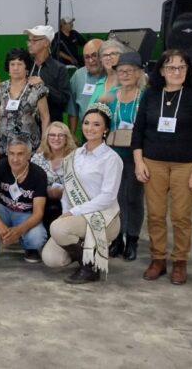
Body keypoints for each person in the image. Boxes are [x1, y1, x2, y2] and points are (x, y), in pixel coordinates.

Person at [132, 49, 192, 284]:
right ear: (161, 71)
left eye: (181, 67)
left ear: (188, 70)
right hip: (152, 162)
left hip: (185, 165)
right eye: (170, 67)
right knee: (155, 214)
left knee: (181, 216)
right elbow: (138, 131)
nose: (176, 71)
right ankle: (158, 259)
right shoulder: (151, 94)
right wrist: (139, 161)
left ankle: (179, 261)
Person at [41, 104, 123, 284]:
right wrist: (66, 212)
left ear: (105, 129)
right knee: (51, 259)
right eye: (86, 123)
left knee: (57, 228)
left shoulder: (111, 158)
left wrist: (74, 213)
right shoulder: (74, 154)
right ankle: (87, 249)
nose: (89, 128)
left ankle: (90, 267)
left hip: (104, 219)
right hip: (78, 217)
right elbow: (67, 191)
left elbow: (108, 196)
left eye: (96, 124)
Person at [0, 135, 48, 270]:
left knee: (38, 238)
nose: (15, 159)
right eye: (11, 153)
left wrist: (19, 231)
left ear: (29, 155)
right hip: (4, 211)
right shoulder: (1, 166)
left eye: (20, 154)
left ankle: (29, 248)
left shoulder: (38, 174)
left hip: (25, 214)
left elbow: (38, 213)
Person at [103, 52, 146, 261]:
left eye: (130, 71)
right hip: (113, 154)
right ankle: (117, 237)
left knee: (134, 198)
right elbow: (97, 112)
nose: (126, 74)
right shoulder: (112, 95)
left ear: (138, 73)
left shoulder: (145, 96)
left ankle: (133, 238)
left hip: (137, 154)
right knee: (115, 197)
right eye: (121, 71)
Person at [0, 48, 50, 161]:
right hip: (3, 147)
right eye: (12, 64)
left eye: (19, 64)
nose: (15, 68)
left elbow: (45, 118)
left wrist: (43, 143)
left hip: (30, 147)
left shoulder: (37, 89)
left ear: (26, 67)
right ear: (8, 67)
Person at [31, 122, 77, 234]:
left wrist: (62, 192)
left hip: (68, 203)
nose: (56, 138)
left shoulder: (76, 158)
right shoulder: (37, 158)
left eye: (61, 135)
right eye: (52, 135)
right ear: (47, 138)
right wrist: (45, 191)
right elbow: (30, 184)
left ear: (67, 138)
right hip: (42, 201)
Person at [24, 25, 71, 124]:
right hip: (27, 126)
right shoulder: (25, 65)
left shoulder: (59, 69)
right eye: (29, 40)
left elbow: (64, 101)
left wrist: (44, 87)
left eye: (34, 40)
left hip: (51, 126)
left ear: (46, 43)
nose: (29, 44)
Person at [67, 39, 104, 137]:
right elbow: (72, 109)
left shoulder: (114, 75)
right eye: (87, 57)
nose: (91, 60)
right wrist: (72, 135)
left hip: (111, 135)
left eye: (94, 55)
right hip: (88, 135)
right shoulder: (78, 76)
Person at [88, 39, 128, 106]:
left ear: (122, 56)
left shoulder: (127, 82)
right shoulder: (99, 84)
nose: (108, 58)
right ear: (101, 60)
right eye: (105, 55)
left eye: (113, 54)